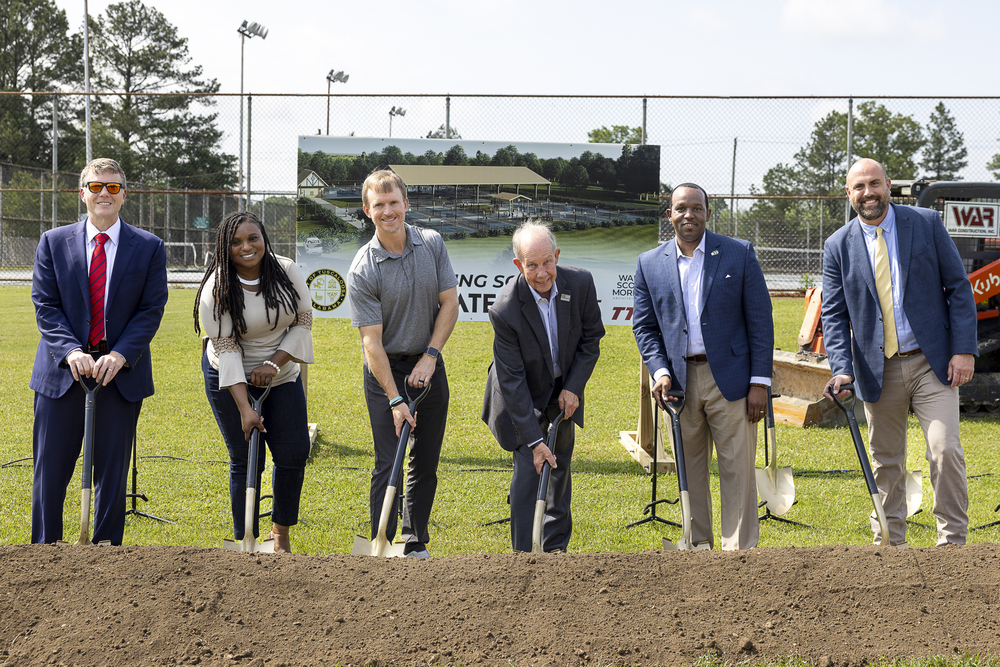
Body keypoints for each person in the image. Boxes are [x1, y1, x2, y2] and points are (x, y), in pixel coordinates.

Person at [822, 158, 978, 547]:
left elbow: (959, 288)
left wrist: (963, 350)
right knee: (886, 460)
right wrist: (842, 368)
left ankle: (952, 543)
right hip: (879, 369)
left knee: (944, 449)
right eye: (859, 187)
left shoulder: (924, 223)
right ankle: (890, 542)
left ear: (888, 185)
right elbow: (835, 315)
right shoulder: (838, 246)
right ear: (849, 193)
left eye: (874, 184)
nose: (868, 193)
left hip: (932, 362)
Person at [30, 158, 168, 545]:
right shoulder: (53, 242)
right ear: (82, 193)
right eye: (95, 186)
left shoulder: (149, 248)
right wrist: (71, 351)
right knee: (50, 471)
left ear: (124, 194)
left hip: (118, 373)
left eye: (111, 187)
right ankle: (44, 553)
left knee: (111, 474)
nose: (103, 193)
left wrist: (121, 354)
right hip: (63, 373)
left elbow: (150, 309)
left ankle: (106, 557)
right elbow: (46, 305)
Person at [632, 183, 773, 550]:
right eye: (681, 209)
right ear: (670, 216)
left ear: (708, 213)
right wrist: (660, 370)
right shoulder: (649, 264)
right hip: (677, 383)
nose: (688, 215)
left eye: (696, 208)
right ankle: (698, 547)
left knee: (737, 471)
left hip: (731, 379)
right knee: (689, 471)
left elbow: (760, 320)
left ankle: (738, 554)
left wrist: (760, 382)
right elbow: (644, 327)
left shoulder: (738, 254)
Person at [347, 170, 459, 559]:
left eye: (394, 202)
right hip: (385, 371)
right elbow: (370, 343)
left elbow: (450, 303)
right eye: (379, 205)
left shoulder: (432, 243)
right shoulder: (364, 267)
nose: (388, 211)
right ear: (367, 210)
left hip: (428, 364)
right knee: (387, 458)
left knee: (425, 460)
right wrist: (395, 400)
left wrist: (430, 357)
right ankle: (380, 541)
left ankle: (415, 541)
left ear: (406, 204)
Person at [196, 211, 314, 554]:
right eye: (236, 242)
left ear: (264, 238)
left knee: (294, 453)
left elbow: (304, 320)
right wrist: (246, 407)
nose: (246, 247)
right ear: (224, 248)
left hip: (280, 371)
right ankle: (245, 537)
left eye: (253, 238)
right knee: (246, 457)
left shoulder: (287, 270)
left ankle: (280, 534)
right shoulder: (217, 287)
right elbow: (226, 346)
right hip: (229, 373)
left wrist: (273, 365)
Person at [482, 221, 604, 552]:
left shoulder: (579, 284)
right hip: (520, 396)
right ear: (518, 265)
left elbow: (592, 340)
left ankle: (555, 551)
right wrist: (535, 440)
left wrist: (574, 387)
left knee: (559, 467)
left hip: (562, 392)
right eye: (531, 265)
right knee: (529, 471)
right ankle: (524, 556)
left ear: (557, 256)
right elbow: (512, 381)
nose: (541, 273)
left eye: (547, 262)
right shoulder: (505, 309)